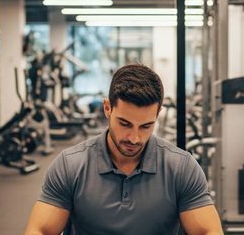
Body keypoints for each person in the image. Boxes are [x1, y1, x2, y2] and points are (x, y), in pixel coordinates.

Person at [24, 64, 223, 235]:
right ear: (107, 108)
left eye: (146, 126)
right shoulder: (70, 165)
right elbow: (40, 230)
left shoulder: (182, 168)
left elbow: (208, 231)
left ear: (158, 114)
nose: (134, 138)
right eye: (125, 124)